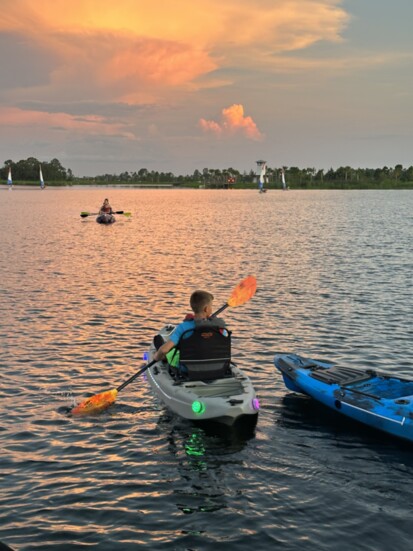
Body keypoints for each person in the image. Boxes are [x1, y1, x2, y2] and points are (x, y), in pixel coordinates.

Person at [153, 290, 227, 369]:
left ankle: (162, 353)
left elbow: (164, 350)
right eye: (211, 306)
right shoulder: (219, 328)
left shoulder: (183, 327)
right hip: (216, 367)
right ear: (206, 309)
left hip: (188, 369)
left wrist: (156, 358)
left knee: (165, 349)